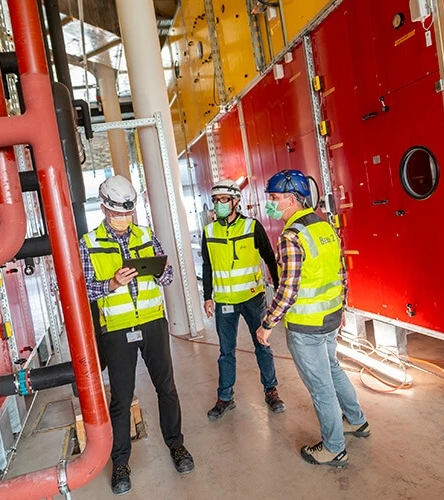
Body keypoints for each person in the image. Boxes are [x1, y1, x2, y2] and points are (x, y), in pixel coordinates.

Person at [79, 175, 194, 495]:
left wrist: (159, 270)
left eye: (128, 213)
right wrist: (112, 284)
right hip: (116, 330)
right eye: (118, 213)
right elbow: (86, 289)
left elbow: (168, 275)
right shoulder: (90, 243)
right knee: (121, 399)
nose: (124, 219)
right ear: (104, 208)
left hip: (153, 323)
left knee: (167, 388)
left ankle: (177, 445)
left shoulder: (146, 235)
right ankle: (120, 463)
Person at [255, 170, 370, 468]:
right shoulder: (323, 225)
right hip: (330, 317)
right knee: (332, 369)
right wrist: (341, 309)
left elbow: (288, 288)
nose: (270, 204)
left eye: (275, 198)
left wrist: (268, 324)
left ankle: (334, 448)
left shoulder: (291, 236)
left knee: (321, 387)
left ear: (292, 200)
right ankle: (356, 421)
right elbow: (341, 271)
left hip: (307, 325)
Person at [201, 179, 286, 420]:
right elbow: (207, 266)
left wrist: (279, 289)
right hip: (225, 301)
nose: (219, 205)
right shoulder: (209, 231)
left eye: (224, 200)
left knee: (263, 344)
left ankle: (271, 390)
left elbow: (270, 258)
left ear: (236, 201)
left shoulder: (252, 226)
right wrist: (207, 296)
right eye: (216, 201)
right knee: (226, 351)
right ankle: (225, 397)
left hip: (252, 299)